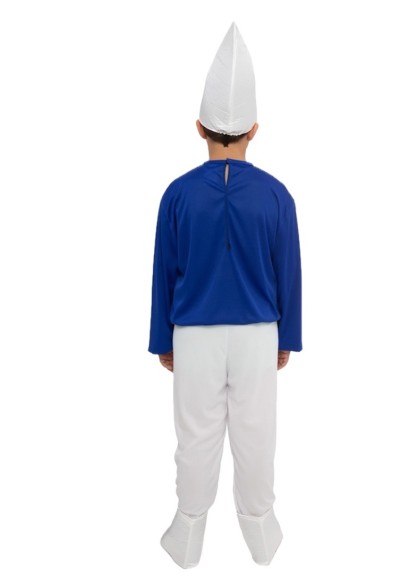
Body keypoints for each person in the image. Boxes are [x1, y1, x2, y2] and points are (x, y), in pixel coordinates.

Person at [148, 22, 302, 568]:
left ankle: (187, 532)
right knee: (257, 433)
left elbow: (164, 271)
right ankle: (261, 532)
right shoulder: (278, 196)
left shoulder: (177, 195)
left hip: (193, 333)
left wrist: (162, 338)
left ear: (199, 128)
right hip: (259, 332)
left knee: (196, 435)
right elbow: (289, 272)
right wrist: (288, 336)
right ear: (255, 129)